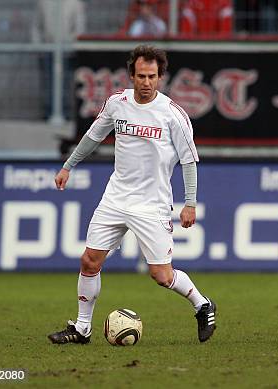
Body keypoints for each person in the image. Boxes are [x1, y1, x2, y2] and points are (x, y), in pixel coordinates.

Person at [48, 45, 217, 344]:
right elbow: (93, 136)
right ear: (131, 75)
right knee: (89, 260)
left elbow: (189, 160)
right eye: (141, 76)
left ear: (161, 77)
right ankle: (82, 328)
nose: (146, 82)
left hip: (152, 205)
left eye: (152, 76)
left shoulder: (172, 115)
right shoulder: (117, 104)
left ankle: (202, 304)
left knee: (162, 277)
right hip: (115, 198)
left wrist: (190, 203)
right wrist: (68, 166)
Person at [31, 0, 85, 120]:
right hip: (48, 48)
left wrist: (72, 46)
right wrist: (39, 47)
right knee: (48, 83)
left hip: (66, 50)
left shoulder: (75, 3)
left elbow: (79, 28)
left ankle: (65, 113)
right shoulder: (43, 2)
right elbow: (36, 26)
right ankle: (47, 113)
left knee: (65, 82)